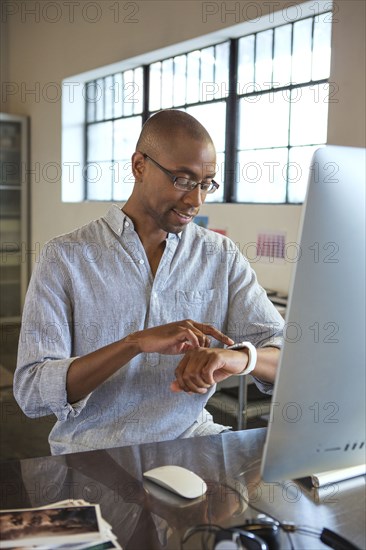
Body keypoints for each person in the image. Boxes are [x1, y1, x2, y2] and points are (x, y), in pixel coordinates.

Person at [14, 109, 284, 455]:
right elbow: (32, 392)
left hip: (192, 442)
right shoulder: (66, 257)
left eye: (205, 184)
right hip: (93, 452)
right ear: (139, 165)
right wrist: (134, 343)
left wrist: (236, 358)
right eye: (182, 180)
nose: (195, 200)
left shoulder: (220, 255)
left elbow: (290, 360)